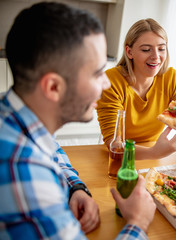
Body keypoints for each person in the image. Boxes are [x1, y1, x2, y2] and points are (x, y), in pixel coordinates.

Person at [0, 2, 155, 239]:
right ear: (53, 87)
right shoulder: (28, 179)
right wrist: (138, 222)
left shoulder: (16, 114)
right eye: (96, 73)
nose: (106, 83)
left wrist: (75, 187)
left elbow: (51, 148)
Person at [96, 18, 176, 160]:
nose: (156, 56)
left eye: (161, 49)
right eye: (146, 49)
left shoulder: (171, 77)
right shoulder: (111, 81)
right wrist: (155, 153)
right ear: (129, 52)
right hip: (119, 160)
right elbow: (115, 146)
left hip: (152, 158)